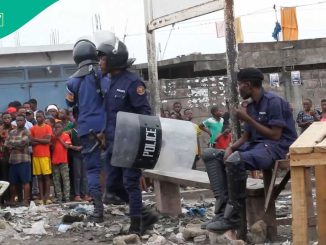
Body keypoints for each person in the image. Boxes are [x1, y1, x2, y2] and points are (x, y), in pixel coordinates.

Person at [201, 68, 297, 232]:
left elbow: (275, 135)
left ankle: (234, 217)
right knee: (211, 155)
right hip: (257, 145)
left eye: (239, 85)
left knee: (235, 160)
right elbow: (246, 137)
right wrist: (230, 147)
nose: (238, 89)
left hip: (277, 147)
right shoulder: (251, 105)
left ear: (248, 84)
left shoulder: (274, 102)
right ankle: (222, 211)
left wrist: (247, 119)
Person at [97, 33, 158, 235]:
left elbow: (145, 113)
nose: (100, 61)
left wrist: (140, 142)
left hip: (130, 142)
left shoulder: (133, 82)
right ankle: (145, 214)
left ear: (113, 59)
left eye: (103, 57)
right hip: (114, 143)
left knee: (131, 183)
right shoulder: (108, 81)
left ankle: (136, 226)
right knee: (112, 186)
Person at [65, 39, 107, 222]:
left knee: (92, 170)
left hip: (85, 130)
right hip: (107, 127)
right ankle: (132, 207)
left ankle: (98, 211)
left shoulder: (72, 81)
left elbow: (69, 103)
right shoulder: (104, 74)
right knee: (117, 165)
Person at [4, 114, 31, 206]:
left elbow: (23, 142)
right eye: (18, 120)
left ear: (24, 121)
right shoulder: (12, 132)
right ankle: (13, 200)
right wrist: (17, 146)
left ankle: (26, 200)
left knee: (25, 181)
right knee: (13, 182)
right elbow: (6, 144)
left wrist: (13, 144)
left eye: (21, 120)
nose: (19, 122)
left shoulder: (27, 132)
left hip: (23, 160)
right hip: (13, 160)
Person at [30, 111, 53, 205]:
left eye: (40, 116)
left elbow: (48, 141)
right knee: (39, 177)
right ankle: (41, 197)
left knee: (46, 177)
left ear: (43, 117)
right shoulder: (32, 128)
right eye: (37, 117)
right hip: (36, 156)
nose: (38, 118)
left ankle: (47, 197)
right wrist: (41, 140)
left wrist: (35, 139)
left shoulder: (48, 127)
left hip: (45, 155)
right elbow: (30, 142)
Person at [51, 121, 71, 202]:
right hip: (54, 161)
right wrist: (55, 138)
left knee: (65, 180)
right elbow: (51, 148)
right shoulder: (53, 137)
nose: (57, 129)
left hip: (64, 161)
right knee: (56, 181)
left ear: (62, 128)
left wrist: (59, 138)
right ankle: (59, 198)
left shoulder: (66, 136)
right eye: (56, 127)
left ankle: (67, 198)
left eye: (59, 127)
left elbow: (66, 146)